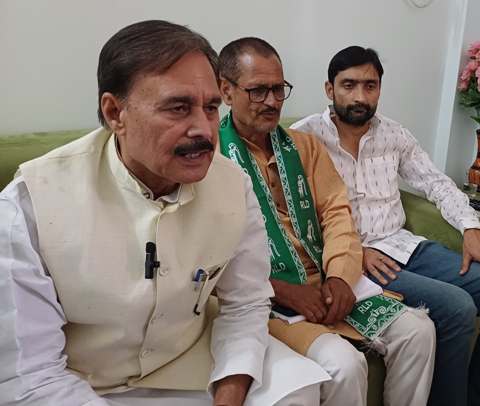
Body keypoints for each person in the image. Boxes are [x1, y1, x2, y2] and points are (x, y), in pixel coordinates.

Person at [0, 20, 331, 406]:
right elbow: (30, 375)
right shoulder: (30, 204)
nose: (204, 130)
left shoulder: (231, 185)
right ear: (115, 112)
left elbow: (246, 303)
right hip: (81, 384)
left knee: (300, 388)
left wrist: (230, 393)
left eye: (211, 108)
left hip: (191, 362)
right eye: (178, 108)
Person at [218, 37, 435, 406]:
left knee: (418, 331)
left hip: (325, 281)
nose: (272, 101)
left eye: (278, 89)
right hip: (264, 296)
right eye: (258, 91)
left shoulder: (304, 146)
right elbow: (208, 255)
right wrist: (281, 290)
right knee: (345, 365)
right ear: (226, 91)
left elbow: (337, 215)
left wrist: (339, 277)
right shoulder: (211, 157)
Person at [291, 45, 480, 406]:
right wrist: (352, 250)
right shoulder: (303, 138)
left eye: (370, 86)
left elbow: (435, 183)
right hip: (358, 262)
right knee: (457, 306)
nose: (360, 96)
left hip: (404, 245)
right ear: (329, 89)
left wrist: (471, 228)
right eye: (349, 85)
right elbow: (293, 216)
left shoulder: (394, 135)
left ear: (379, 89)